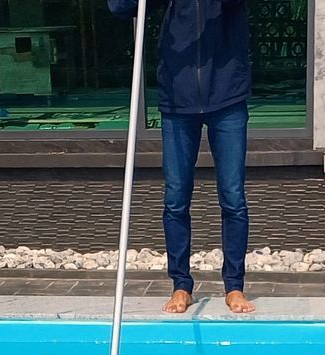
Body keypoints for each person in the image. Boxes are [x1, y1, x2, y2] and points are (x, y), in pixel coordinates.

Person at [107, 0, 254, 314]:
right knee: (175, 199)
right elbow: (120, 7)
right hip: (177, 102)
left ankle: (234, 286)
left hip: (227, 98)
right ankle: (181, 285)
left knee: (233, 198)